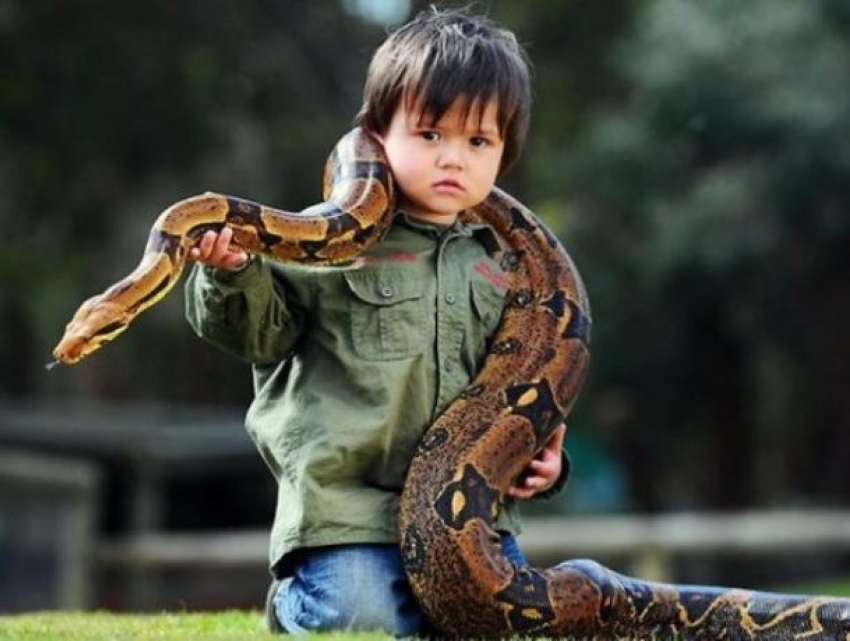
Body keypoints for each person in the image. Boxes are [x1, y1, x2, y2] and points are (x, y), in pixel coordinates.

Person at [185, 6, 570, 636]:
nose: (453, 159)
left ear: (505, 152)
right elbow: (259, 335)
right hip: (348, 516)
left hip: (471, 521)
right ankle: (295, 603)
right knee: (361, 619)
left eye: (478, 142)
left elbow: (530, 384)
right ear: (375, 134)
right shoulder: (320, 235)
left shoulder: (507, 267)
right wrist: (230, 273)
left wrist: (547, 462)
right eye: (430, 135)